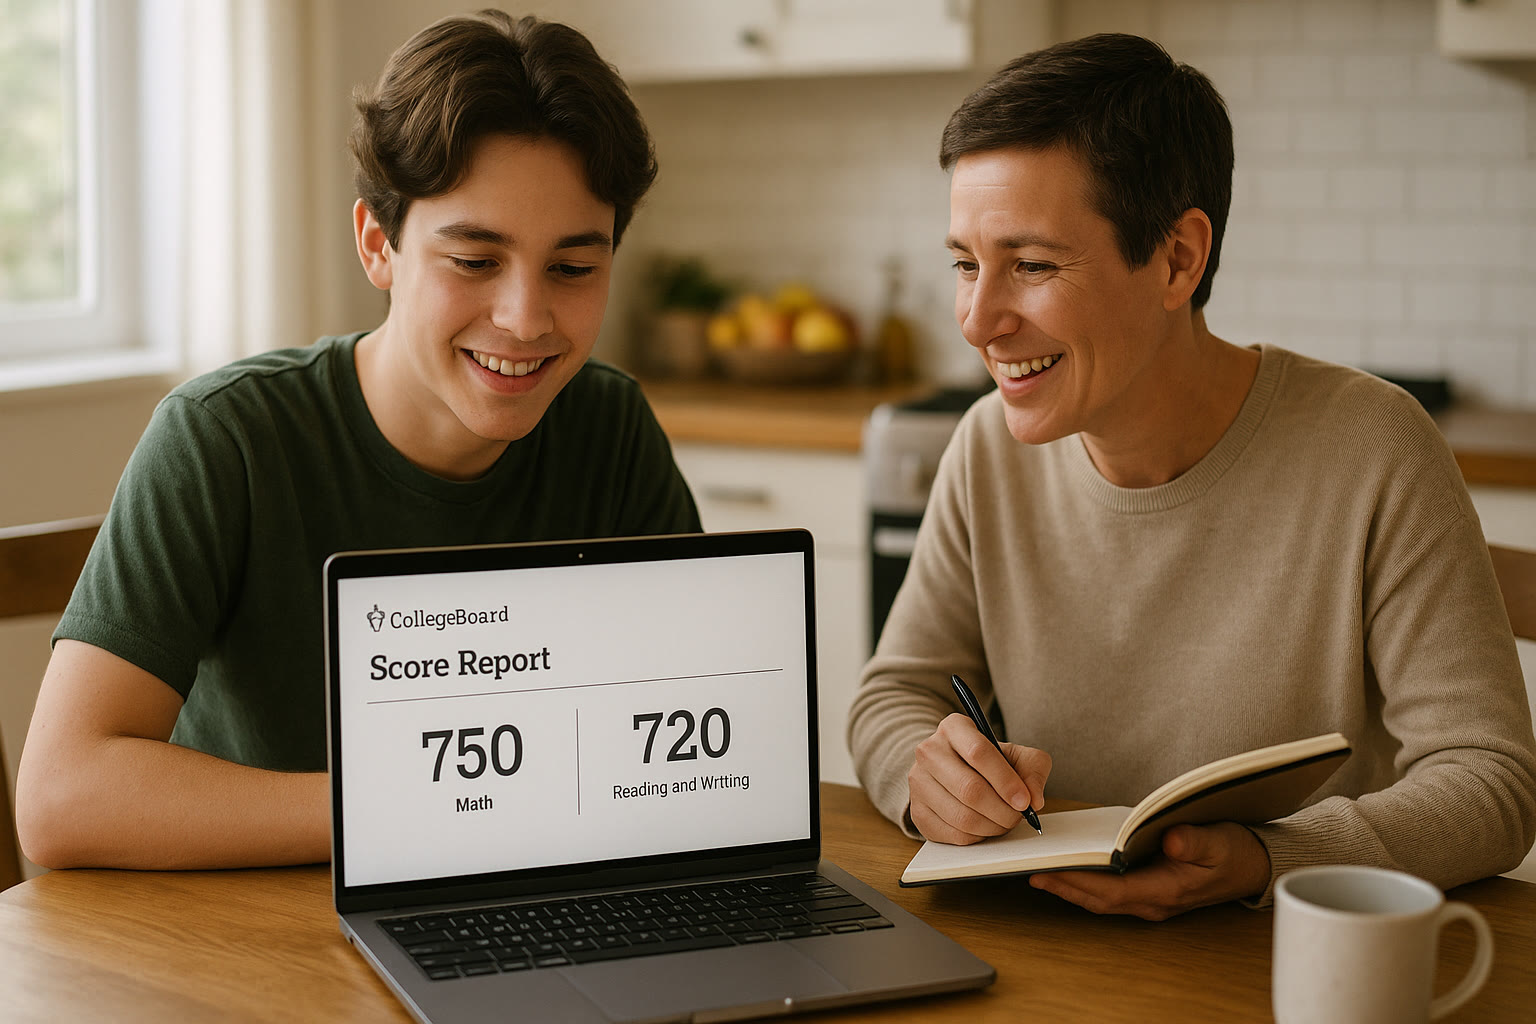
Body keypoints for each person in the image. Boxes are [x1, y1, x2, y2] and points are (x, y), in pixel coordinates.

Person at [847, 33, 1536, 919]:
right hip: (1041, 955)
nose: (978, 321)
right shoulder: (984, 450)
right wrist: (927, 776)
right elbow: (892, 696)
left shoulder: (1374, 448)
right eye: (964, 264)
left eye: (1032, 265)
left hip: (1285, 960)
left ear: (1178, 259)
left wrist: (1268, 859)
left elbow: (1491, 781)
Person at [16, 11, 699, 870]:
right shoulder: (224, 437)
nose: (526, 321)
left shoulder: (610, 427)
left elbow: (692, 736)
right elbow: (59, 798)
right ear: (379, 245)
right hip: (250, 946)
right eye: (474, 260)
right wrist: (416, 805)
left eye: (572, 269)